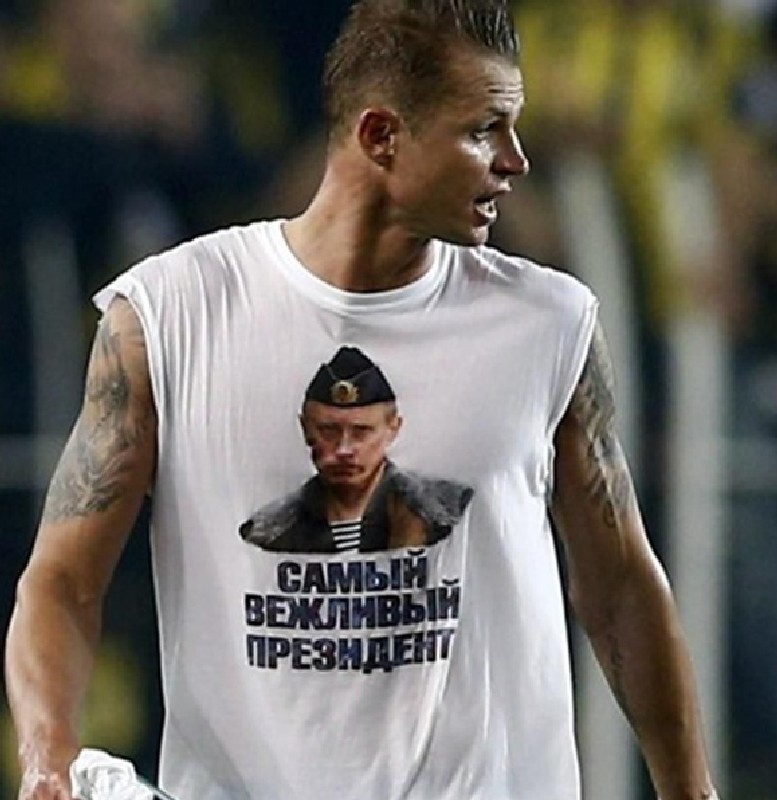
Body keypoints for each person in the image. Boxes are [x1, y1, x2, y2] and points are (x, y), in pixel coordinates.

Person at [5, 1, 720, 799]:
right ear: (381, 136)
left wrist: (691, 792)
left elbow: (620, 585)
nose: (515, 161)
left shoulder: (549, 322)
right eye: (483, 129)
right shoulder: (169, 317)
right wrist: (46, 762)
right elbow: (60, 581)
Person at [239, 345, 474, 553]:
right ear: (305, 428)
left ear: (393, 429)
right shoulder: (269, 532)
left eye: (361, 431)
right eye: (328, 431)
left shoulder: (447, 513)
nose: (344, 449)